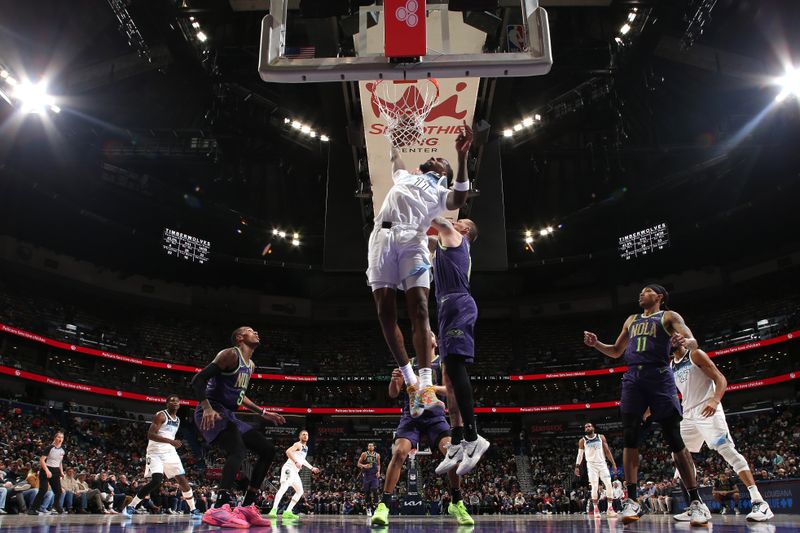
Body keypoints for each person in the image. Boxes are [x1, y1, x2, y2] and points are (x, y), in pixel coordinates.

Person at [367, 124, 473, 419]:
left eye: (441, 158)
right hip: (383, 236)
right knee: (385, 311)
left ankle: (426, 384)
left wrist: (462, 157)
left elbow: (460, 198)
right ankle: (412, 382)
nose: (435, 156)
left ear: (444, 173)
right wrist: (392, 138)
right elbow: (395, 159)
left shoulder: (441, 192)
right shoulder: (406, 176)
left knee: (421, 309)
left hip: (413, 239)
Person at [583, 284, 710, 526]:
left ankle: (695, 501)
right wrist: (597, 344)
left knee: (674, 437)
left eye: (647, 291)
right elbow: (616, 351)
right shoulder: (631, 319)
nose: (641, 294)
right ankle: (633, 500)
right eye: (641, 292)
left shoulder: (669, 316)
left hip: (660, 375)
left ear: (659, 297)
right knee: (629, 435)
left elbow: (693, 341)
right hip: (632, 378)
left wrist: (685, 340)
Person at [191, 326, 285, 528]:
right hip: (211, 412)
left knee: (268, 450)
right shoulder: (229, 355)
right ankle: (218, 507)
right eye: (251, 330)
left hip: (229, 415)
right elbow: (198, 380)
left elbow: (240, 395)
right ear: (240, 337)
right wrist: (206, 407)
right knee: (238, 450)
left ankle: (247, 507)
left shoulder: (250, 365)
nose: (257, 332)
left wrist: (262, 412)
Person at [670, 343, 773, 521]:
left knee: (727, 450)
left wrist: (715, 399)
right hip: (688, 414)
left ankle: (759, 502)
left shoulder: (695, 355)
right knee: (679, 457)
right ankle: (697, 506)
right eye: (668, 335)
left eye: (674, 333)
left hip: (708, 408)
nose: (673, 336)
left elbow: (720, 378)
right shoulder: (671, 365)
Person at [371, 354, 474, 527]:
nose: (428, 335)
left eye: (431, 334)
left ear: (434, 341)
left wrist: (430, 388)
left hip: (436, 416)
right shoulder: (409, 363)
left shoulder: (442, 362)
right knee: (399, 452)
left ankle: (456, 502)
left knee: (453, 454)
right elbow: (393, 393)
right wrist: (394, 381)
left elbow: (451, 389)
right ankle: (383, 506)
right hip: (411, 416)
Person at [424, 216, 489, 476]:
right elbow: (425, 241)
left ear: (464, 230)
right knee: (448, 380)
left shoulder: (456, 237)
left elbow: (435, 221)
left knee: (454, 367)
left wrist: (414, 195)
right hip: (445, 308)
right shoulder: (444, 245)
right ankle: (457, 441)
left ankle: (474, 437)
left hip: (459, 305)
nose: (455, 220)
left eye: (459, 220)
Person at [123, 395, 201, 519]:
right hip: (155, 452)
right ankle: (131, 506)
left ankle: (193, 509)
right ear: (167, 403)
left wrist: (172, 443)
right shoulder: (161, 415)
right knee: (156, 480)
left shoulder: (178, 420)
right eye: (172, 401)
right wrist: (171, 441)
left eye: (177, 401)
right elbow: (150, 435)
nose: (175, 403)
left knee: (182, 480)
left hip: (169, 452)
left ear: (180, 405)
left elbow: (168, 435)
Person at [268, 429, 320, 521]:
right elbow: (288, 452)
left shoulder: (305, 447)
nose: (305, 436)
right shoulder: (298, 444)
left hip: (295, 472)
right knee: (284, 487)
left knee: (300, 491)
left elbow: (302, 460)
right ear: (299, 437)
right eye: (303, 434)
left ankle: (288, 512)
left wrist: (312, 468)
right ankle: (274, 509)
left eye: (307, 434)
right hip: (289, 468)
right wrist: (295, 462)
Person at [574, 422, 617, 517]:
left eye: (589, 426)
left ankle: (610, 509)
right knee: (594, 486)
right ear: (585, 430)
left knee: (609, 485)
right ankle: (596, 510)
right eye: (586, 427)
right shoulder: (582, 440)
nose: (587, 428)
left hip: (602, 464)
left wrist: (613, 464)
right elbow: (580, 455)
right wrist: (577, 466)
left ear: (593, 428)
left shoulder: (601, 437)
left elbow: (607, 451)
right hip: (591, 466)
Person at [28, 431, 65, 515]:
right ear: (55, 438)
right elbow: (42, 460)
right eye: (58, 437)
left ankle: (56, 505)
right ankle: (32, 509)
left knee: (58, 491)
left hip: (56, 471)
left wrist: (61, 472)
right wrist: (47, 470)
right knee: (43, 490)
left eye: (62, 437)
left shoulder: (62, 450)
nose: (60, 439)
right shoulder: (49, 448)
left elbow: (60, 462)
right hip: (46, 470)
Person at [357, 442, 381, 515]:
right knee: (367, 493)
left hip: (374, 475)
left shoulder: (377, 455)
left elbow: (379, 464)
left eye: (371, 446)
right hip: (367, 475)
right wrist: (364, 466)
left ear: (374, 447)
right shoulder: (364, 454)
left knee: (374, 489)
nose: (370, 447)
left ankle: (376, 506)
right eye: (369, 446)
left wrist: (379, 472)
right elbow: (358, 464)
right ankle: (368, 508)